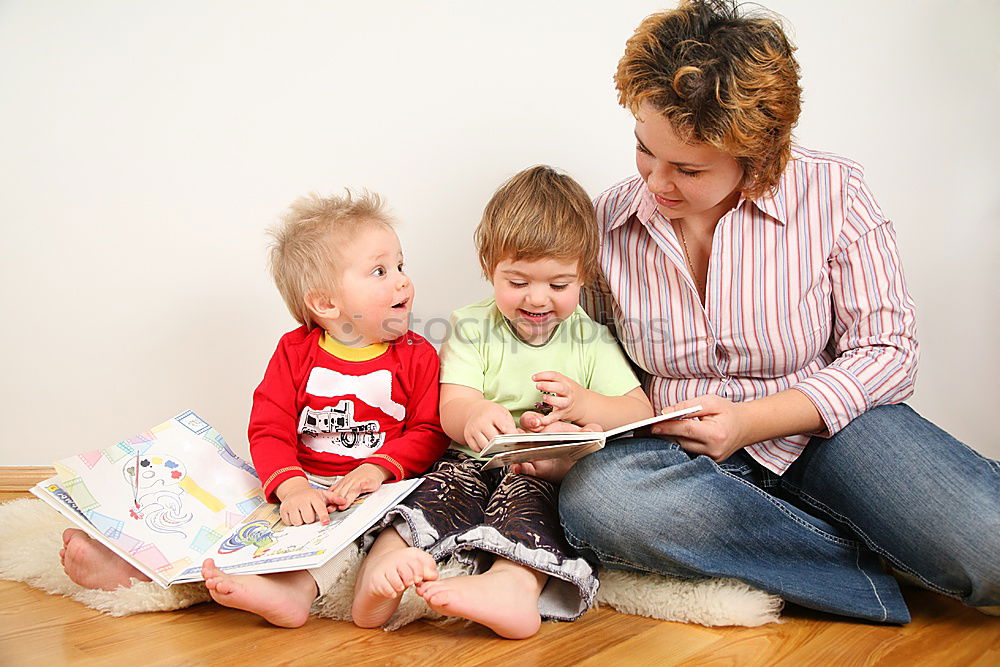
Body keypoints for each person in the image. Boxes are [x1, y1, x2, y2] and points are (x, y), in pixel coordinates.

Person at [558, 0, 1000, 624]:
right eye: (643, 150)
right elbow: (593, 352)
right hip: (675, 447)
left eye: (688, 168)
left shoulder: (834, 192)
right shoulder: (608, 222)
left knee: (991, 546)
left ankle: (813, 547)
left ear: (756, 154)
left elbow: (889, 351)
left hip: (826, 426)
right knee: (600, 501)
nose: (656, 182)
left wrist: (749, 422)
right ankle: (873, 567)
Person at [60, 190, 450, 628]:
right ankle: (139, 565)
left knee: (351, 539)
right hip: (299, 480)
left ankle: (294, 593)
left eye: (401, 265)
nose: (402, 280)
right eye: (380, 271)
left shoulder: (417, 355)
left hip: (367, 490)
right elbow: (269, 429)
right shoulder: (294, 352)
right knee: (226, 513)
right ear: (325, 303)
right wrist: (291, 487)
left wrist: (378, 469)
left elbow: (431, 430)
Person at [357, 165, 654, 639]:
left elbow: (638, 411)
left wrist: (583, 405)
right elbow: (452, 400)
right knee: (428, 496)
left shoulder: (590, 339)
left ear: (584, 275)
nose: (538, 299)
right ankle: (382, 571)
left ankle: (512, 587)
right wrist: (472, 413)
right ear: (489, 269)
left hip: (541, 472)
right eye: (517, 282)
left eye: (559, 285)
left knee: (537, 515)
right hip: (470, 461)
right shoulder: (472, 326)